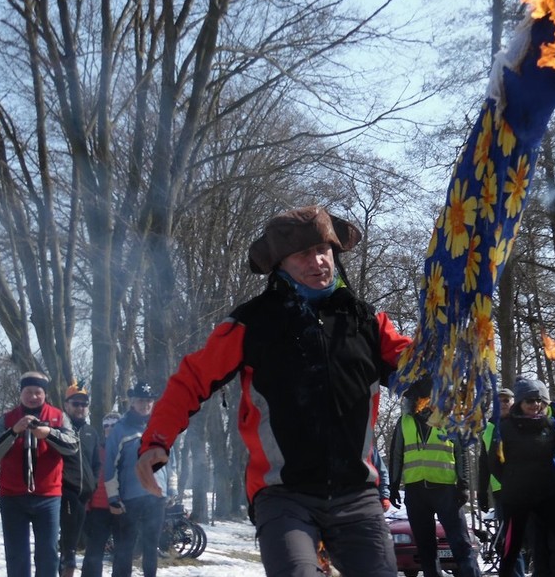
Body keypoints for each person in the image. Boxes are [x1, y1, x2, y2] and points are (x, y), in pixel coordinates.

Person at [134, 205, 409, 577]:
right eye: (303, 255)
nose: (318, 262)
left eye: (323, 251)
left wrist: (449, 366)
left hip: (356, 493)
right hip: (283, 493)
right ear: (281, 265)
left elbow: (416, 370)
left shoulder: (367, 321)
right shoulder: (252, 322)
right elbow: (191, 379)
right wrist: (157, 439)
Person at [488, 378, 555, 577]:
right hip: (517, 496)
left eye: (538, 400)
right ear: (520, 403)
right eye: (530, 401)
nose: (535, 405)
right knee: (513, 545)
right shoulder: (505, 428)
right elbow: (493, 461)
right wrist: (510, 481)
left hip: (545, 492)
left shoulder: (549, 425)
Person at [0, 371, 79, 577]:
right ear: (21, 394)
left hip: (48, 496)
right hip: (12, 496)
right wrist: (13, 432)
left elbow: (73, 445)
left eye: (38, 392)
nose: (33, 396)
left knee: (48, 552)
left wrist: (49, 434)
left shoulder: (58, 416)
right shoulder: (6, 419)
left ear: (44, 394)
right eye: (28, 391)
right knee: (16, 553)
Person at [388, 377, 481, 577]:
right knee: (426, 550)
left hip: (446, 490)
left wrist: (463, 484)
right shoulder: (404, 421)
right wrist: (394, 485)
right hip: (416, 491)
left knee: (461, 544)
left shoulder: (450, 418)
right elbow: (396, 454)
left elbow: (461, 453)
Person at [105, 380, 176, 577]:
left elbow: (172, 461)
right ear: (132, 402)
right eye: (140, 401)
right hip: (130, 498)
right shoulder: (120, 429)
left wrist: (172, 491)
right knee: (125, 548)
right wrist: (113, 497)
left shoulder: (161, 427)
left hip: (157, 497)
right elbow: (110, 465)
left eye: (148, 401)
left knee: (151, 546)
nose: (145, 405)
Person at [478, 387, 527, 577]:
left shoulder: (521, 423)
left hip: (524, 488)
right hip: (500, 491)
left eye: (507, 400)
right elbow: (484, 462)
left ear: (513, 402)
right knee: (509, 537)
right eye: (500, 401)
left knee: (524, 537)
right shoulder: (488, 427)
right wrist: (482, 492)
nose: (503, 404)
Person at [60, 382, 101, 577]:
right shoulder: (59, 429)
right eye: (75, 404)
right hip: (64, 492)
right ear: (66, 405)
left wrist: (93, 483)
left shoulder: (91, 432)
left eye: (83, 404)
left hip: (84, 494)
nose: (80, 408)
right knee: (67, 545)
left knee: (75, 540)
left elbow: (96, 462)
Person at [81, 411, 121, 577]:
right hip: (99, 508)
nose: (110, 429)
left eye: (114, 425)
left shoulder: (130, 449)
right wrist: (87, 507)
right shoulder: (96, 450)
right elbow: (88, 480)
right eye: (106, 426)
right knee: (93, 554)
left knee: (122, 554)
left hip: (122, 508)